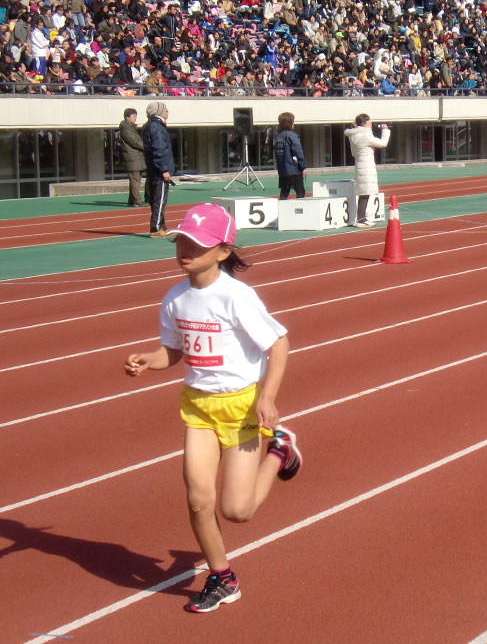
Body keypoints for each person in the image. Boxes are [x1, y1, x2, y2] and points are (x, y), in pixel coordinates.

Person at [123, 203, 300, 613]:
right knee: (198, 499)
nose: (186, 249)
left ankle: (280, 450)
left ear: (223, 251)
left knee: (237, 511)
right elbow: (174, 351)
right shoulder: (175, 299)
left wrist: (267, 397)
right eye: (182, 241)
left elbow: (279, 344)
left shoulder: (237, 297)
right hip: (198, 408)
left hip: (240, 409)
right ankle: (222, 576)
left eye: (197, 244)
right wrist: (150, 360)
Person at [344, 113, 390, 228]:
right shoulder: (366, 135)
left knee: (364, 192)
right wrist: (385, 131)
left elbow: (354, 153)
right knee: (365, 193)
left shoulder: (353, 135)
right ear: (364, 123)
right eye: (369, 121)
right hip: (367, 164)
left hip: (359, 163)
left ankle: (362, 218)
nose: (371, 123)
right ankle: (361, 219)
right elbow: (383, 143)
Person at [142, 102, 174, 237]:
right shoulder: (156, 127)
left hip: (153, 169)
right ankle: (155, 228)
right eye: (165, 110)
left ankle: (161, 226)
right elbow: (159, 149)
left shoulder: (150, 125)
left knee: (158, 199)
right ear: (159, 112)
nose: (167, 112)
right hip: (158, 170)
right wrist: (164, 169)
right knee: (159, 199)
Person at [272, 112, 306, 200]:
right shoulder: (292, 135)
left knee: (284, 193)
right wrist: (302, 166)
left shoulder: (277, 137)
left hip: (282, 171)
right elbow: (298, 151)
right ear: (290, 123)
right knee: (300, 192)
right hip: (293, 169)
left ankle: (281, 211)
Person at [118, 108, 145, 207]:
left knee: (135, 180)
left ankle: (132, 200)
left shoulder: (130, 128)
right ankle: (137, 201)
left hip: (135, 157)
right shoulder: (126, 129)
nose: (135, 118)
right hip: (132, 157)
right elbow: (134, 141)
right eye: (133, 116)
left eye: (135, 116)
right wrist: (146, 147)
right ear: (127, 117)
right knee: (135, 180)